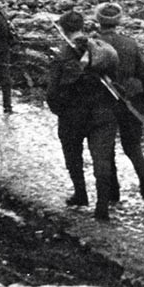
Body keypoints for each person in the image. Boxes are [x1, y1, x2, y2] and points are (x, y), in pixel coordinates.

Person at [45, 11, 119, 221]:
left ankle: (81, 194)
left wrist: (60, 111)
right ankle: (102, 206)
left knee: (73, 155)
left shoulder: (62, 56)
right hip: (103, 113)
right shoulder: (101, 50)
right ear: (83, 26)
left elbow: (52, 92)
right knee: (102, 158)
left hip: (72, 115)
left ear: (63, 29)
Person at [93, 2, 144, 200]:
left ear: (98, 20)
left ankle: (113, 191)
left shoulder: (93, 44)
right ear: (117, 21)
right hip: (130, 99)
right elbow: (143, 75)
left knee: (106, 147)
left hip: (103, 101)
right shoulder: (130, 43)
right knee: (132, 144)